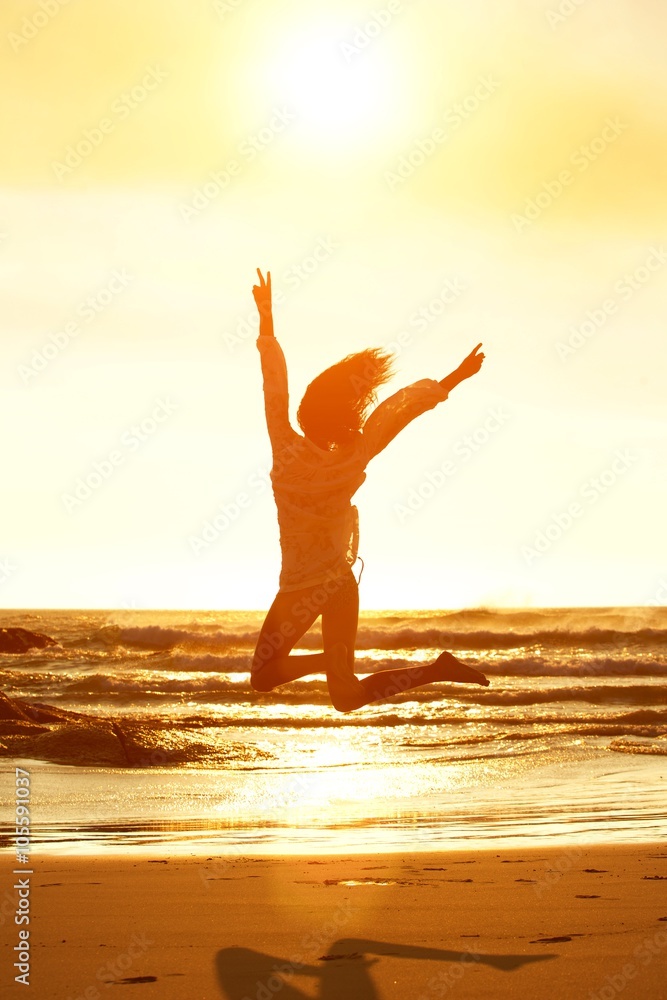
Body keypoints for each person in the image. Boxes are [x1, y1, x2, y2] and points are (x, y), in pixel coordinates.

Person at [250, 268, 489, 712]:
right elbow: (400, 410)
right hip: (331, 586)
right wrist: (454, 377)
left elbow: (272, 384)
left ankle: (422, 668)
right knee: (339, 695)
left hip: (308, 587)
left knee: (269, 678)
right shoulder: (354, 454)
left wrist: (267, 321)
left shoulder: (285, 446)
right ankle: (431, 669)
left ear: (305, 417)